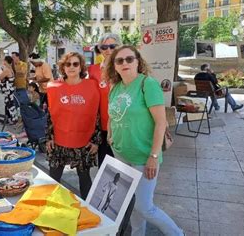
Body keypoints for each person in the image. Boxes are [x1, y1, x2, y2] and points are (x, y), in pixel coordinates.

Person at [106, 45, 183, 236]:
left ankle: (177, 233)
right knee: (133, 202)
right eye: (119, 60)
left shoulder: (147, 84)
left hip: (144, 156)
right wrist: (110, 133)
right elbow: (113, 114)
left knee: (145, 206)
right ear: (114, 66)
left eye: (129, 59)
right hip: (121, 154)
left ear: (138, 62)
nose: (124, 63)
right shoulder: (115, 87)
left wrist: (154, 156)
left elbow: (160, 122)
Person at [46, 52, 100, 200]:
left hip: (83, 142)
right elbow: (50, 114)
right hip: (59, 142)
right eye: (67, 64)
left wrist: (96, 140)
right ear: (63, 67)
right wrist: (48, 137)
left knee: (84, 179)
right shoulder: (53, 87)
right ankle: (51, 211)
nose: (71, 67)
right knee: (53, 180)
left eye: (75, 64)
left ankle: (88, 211)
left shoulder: (92, 86)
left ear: (81, 67)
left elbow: (97, 114)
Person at [88, 33, 120, 167]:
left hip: (122, 125)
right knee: (105, 165)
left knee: (123, 165)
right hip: (103, 126)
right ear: (100, 49)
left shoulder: (125, 68)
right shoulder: (93, 70)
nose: (109, 50)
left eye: (113, 46)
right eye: (104, 47)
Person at [0, 56, 18, 124]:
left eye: (4, 60)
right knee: (8, 104)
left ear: (6, 61)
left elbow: (0, 77)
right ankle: (8, 119)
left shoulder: (7, 70)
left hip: (8, 90)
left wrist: (0, 71)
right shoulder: (11, 69)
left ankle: (13, 119)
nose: (3, 62)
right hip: (10, 89)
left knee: (10, 104)